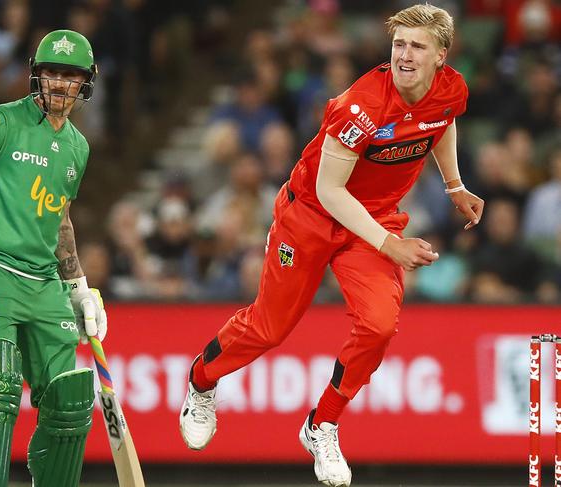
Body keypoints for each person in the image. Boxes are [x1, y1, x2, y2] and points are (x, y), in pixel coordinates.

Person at [179, 5, 484, 487]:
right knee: (270, 327)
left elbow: (441, 121)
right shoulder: (359, 106)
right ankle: (201, 382)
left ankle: (321, 424)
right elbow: (330, 192)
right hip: (311, 217)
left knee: (381, 325)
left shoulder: (451, 89)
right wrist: (391, 245)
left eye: (417, 46)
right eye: (398, 44)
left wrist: (453, 186)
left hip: (374, 218)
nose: (404, 55)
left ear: (441, 56)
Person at [0, 30, 107, 487]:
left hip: (45, 281)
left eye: (71, 75)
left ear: (86, 82)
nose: (60, 84)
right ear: (36, 75)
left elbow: (61, 217)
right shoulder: (2, 122)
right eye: (52, 72)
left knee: (70, 399)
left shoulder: (77, 148)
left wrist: (78, 287)